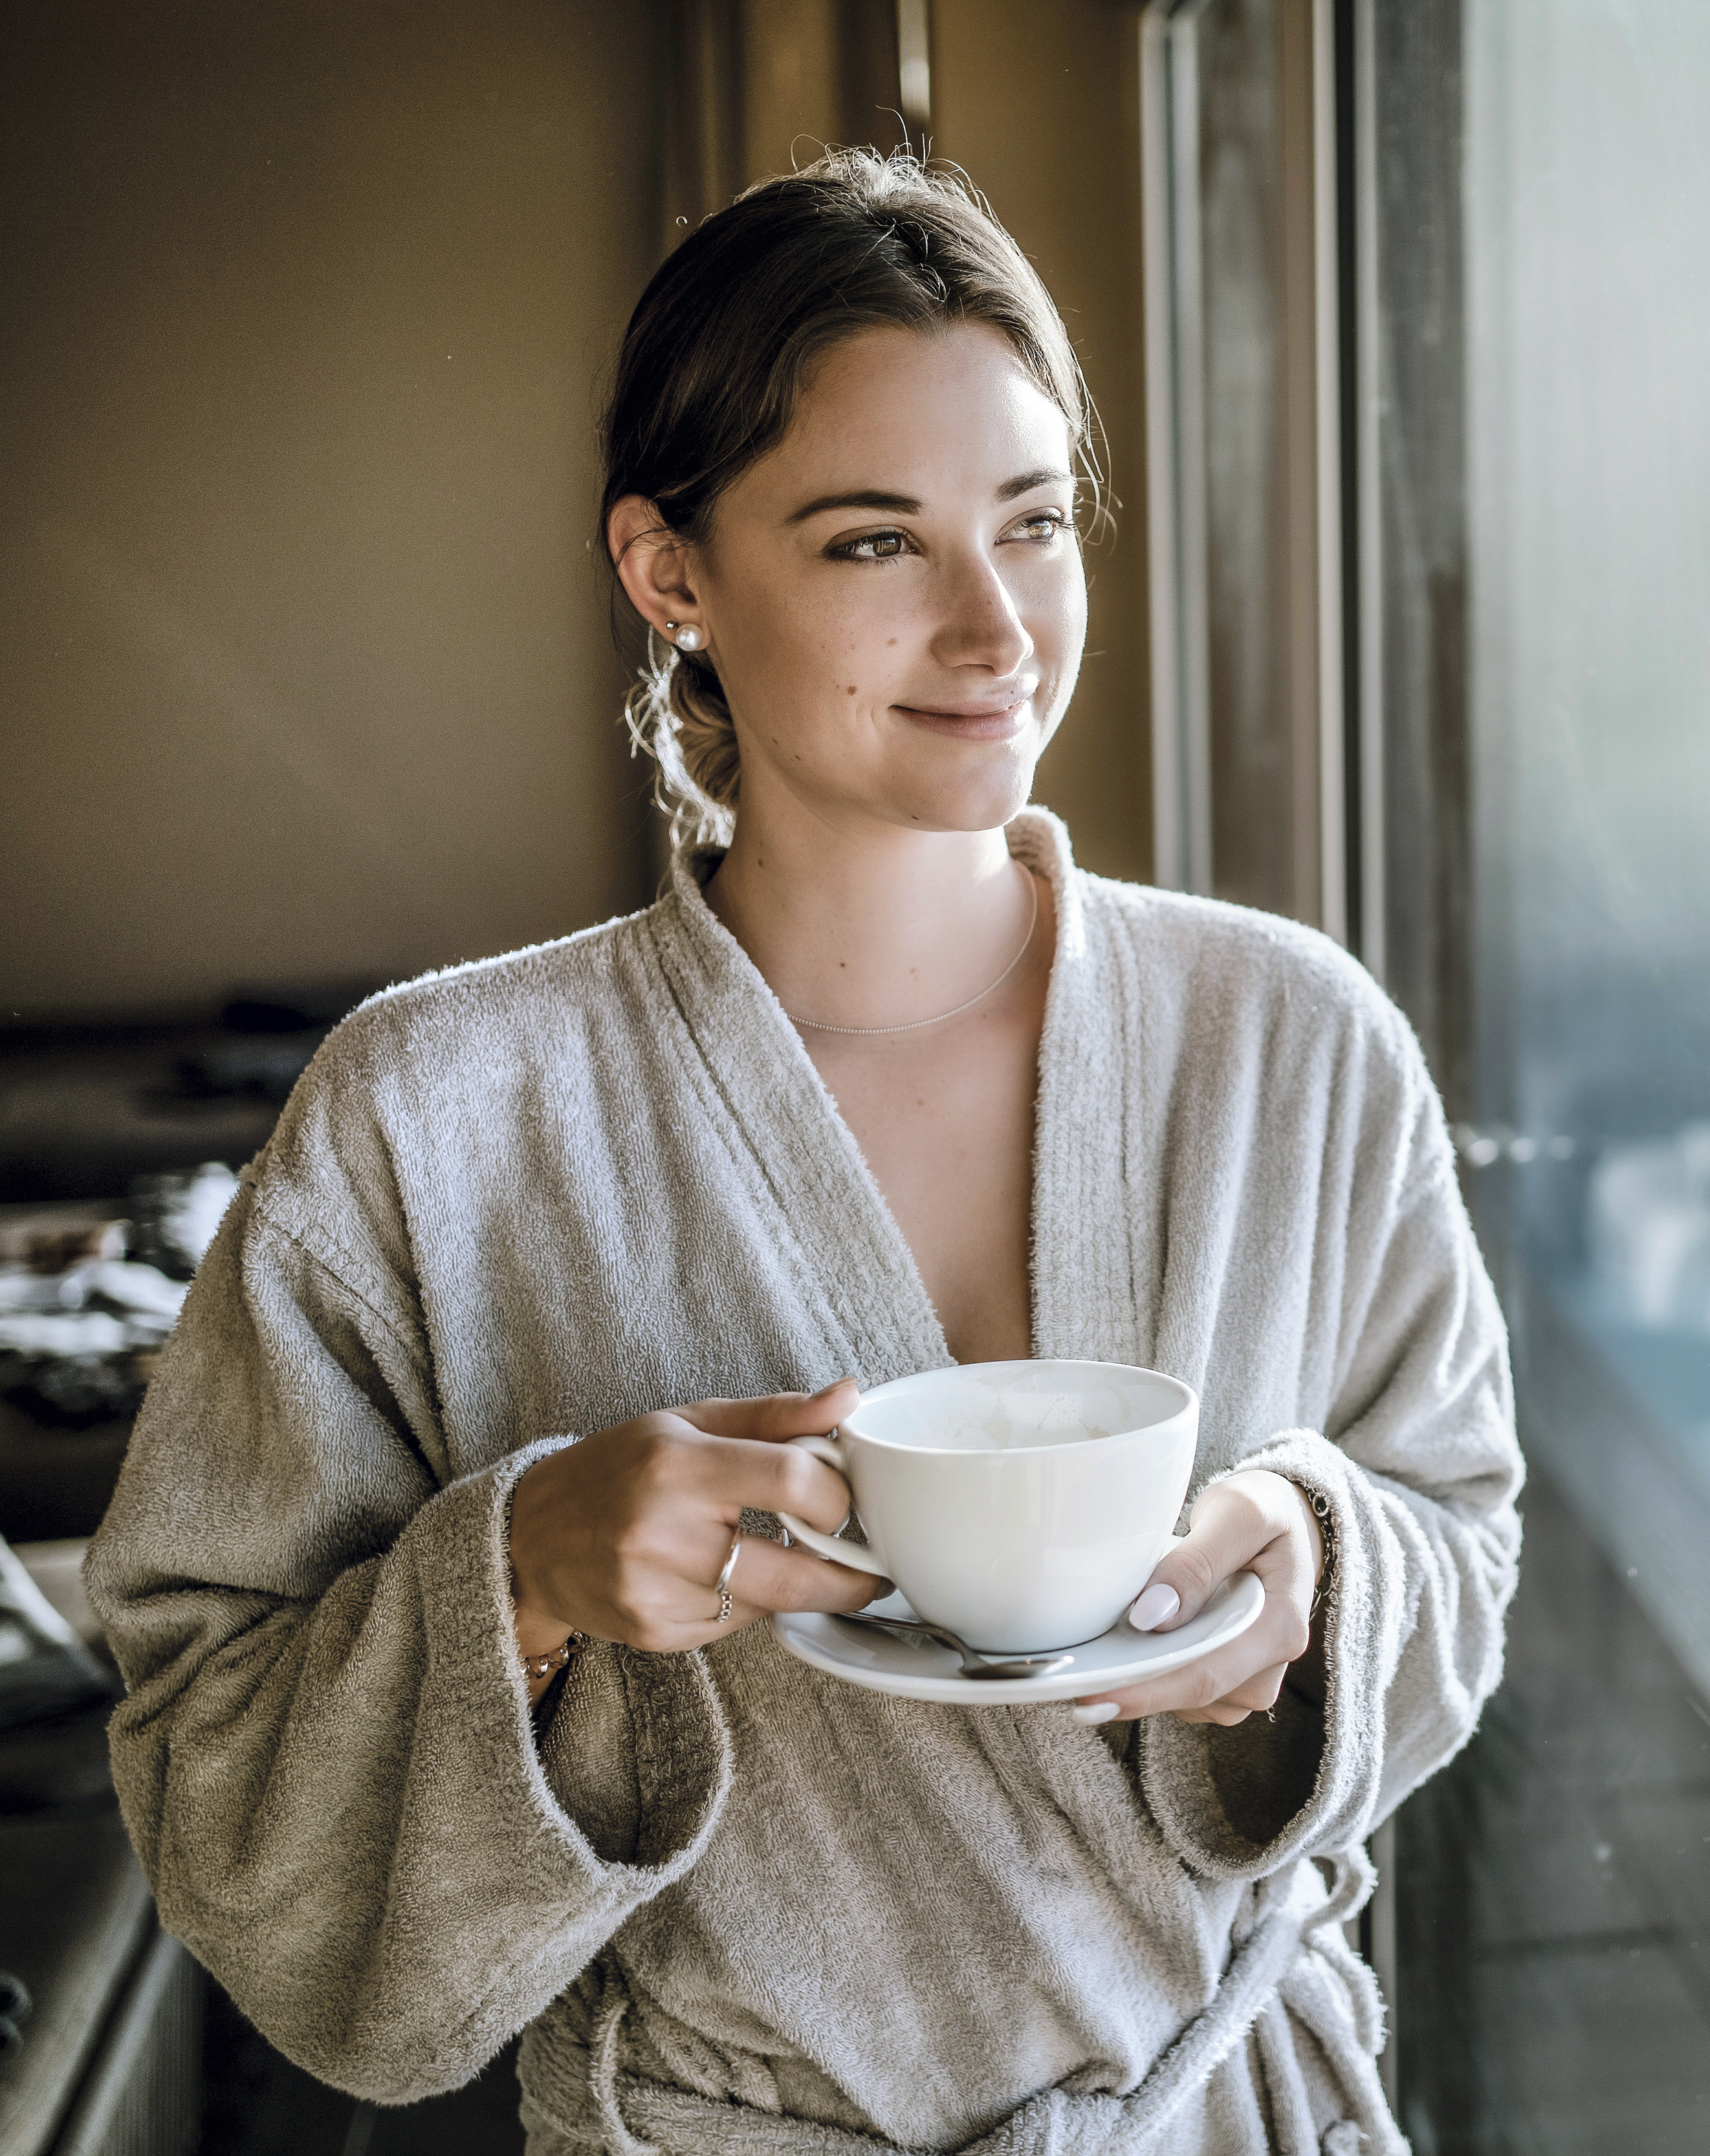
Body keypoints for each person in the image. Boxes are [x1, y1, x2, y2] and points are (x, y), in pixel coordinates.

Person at [83, 149, 1520, 2156]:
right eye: (874, 545)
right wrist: (525, 1576)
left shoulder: (1291, 1043)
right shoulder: (431, 1111)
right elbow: (206, 1759)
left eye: (1033, 524)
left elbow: (1455, 1523)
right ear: (671, 575)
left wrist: (1322, 1573)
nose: (994, 622)